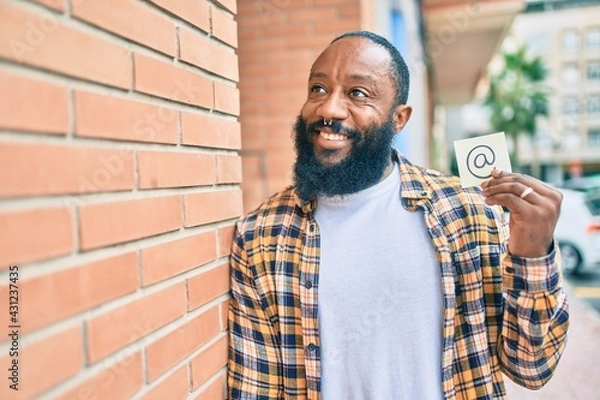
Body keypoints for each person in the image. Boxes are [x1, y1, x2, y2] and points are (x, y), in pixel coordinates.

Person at [228, 30, 569, 400]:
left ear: (399, 118)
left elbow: (530, 367)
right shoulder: (261, 236)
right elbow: (255, 391)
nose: (329, 109)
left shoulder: (469, 213)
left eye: (358, 93)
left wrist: (533, 254)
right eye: (318, 89)